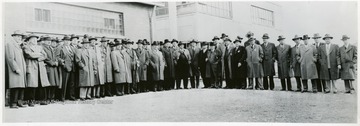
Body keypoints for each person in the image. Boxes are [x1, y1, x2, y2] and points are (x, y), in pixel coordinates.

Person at [23, 33, 51, 106]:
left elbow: (45, 55)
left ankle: (42, 100)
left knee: (41, 83)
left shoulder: (40, 47)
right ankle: (31, 100)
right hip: (32, 67)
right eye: (33, 39)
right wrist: (39, 54)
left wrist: (39, 58)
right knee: (32, 84)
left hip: (40, 66)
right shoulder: (26, 47)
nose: (35, 40)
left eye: (36, 39)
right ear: (29, 40)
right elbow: (29, 55)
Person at [5, 30, 27, 108]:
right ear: (13, 36)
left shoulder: (18, 45)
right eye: (18, 36)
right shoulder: (10, 44)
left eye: (20, 36)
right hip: (15, 69)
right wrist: (15, 68)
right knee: (15, 86)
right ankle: (13, 103)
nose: (19, 38)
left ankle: (19, 102)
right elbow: (10, 58)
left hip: (21, 68)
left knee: (21, 86)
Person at [58, 35, 76, 101]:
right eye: (66, 40)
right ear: (63, 41)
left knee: (72, 83)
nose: (67, 42)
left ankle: (71, 96)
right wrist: (62, 62)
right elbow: (57, 57)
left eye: (68, 40)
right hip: (65, 67)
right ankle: (62, 97)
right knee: (64, 83)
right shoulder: (60, 47)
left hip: (72, 67)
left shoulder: (72, 48)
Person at [43, 36, 60, 103]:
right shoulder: (43, 48)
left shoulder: (51, 48)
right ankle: (47, 98)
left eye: (50, 40)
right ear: (44, 41)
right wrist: (52, 63)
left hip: (54, 68)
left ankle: (52, 98)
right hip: (48, 67)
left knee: (54, 83)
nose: (49, 42)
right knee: (49, 83)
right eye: (47, 40)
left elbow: (55, 56)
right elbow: (45, 58)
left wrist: (56, 62)